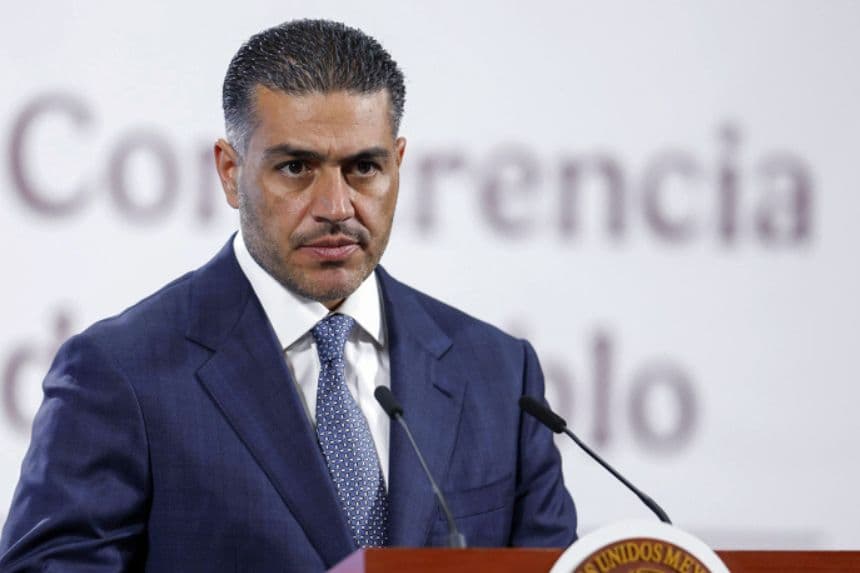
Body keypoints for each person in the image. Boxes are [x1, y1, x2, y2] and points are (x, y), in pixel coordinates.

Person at [0, 19, 576, 572]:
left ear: (398, 165)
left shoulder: (500, 375)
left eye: (364, 168)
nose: (335, 206)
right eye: (297, 167)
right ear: (230, 171)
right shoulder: (121, 373)